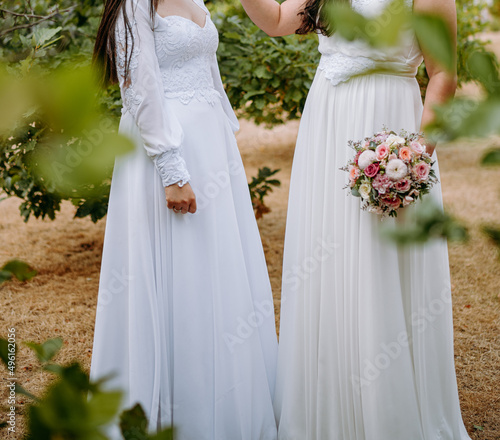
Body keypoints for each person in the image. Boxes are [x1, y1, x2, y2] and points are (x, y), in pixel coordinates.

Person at [238, 0, 472, 438]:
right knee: (324, 259)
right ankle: (324, 409)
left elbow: (443, 75)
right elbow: (275, 22)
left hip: (390, 135)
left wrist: (413, 158)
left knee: (378, 261)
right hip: (326, 126)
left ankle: (387, 410)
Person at [89, 0, 278, 438]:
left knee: (218, 269)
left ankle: (228, 404)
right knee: (181, 270)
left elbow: (208, 71)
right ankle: (174, 410)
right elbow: (139, 85)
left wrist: (224, 131)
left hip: (210, 147)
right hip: (165, 150)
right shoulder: (135, 5)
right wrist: (173, 170)